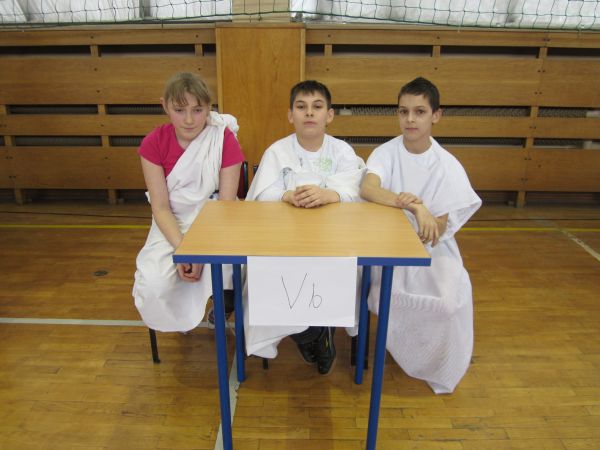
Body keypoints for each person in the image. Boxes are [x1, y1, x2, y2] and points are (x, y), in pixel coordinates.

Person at [360, 77, 481, 394]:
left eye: (419, 112)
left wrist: (425, 216)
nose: (410, 119)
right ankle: (399, 344)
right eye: (404, 111)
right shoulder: (386, 153)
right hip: (388, 245)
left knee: (449, 302)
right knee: (389, 296)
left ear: (436, 115)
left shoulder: (447, 165)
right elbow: (369, 188)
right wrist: (414, 205)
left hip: (433, 250)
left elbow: (436, 230)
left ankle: (433, 359)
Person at [244, 80, 366, 375]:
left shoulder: (342, 151)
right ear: (291, 115)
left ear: (329, 115)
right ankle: (312, 333)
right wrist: (286, 195)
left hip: (333, 239)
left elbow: (357, 191)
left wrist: (330, 194)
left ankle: (320, 328)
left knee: (350, 268)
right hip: (285, 239)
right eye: (301, 107)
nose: (309, 113)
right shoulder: (277, 152)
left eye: (317, 106)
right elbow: (260, 195)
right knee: (261, 272)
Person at [133, 72, 244, 333]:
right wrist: (183, 250)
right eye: (179, 110)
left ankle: (224, 300)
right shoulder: (153, 143)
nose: (189, 119)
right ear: (165, 106)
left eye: (198, 109)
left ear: (209, 107)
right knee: (153, 284)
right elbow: (160, 208)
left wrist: (201, 252)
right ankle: (179, 317)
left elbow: (225, 205)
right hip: (171, 221)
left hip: (215, 220)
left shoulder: (223, 139)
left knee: (231, 269)